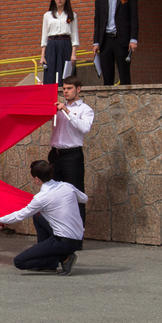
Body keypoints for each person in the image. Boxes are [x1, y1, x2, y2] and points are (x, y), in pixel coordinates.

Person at [0, 160, 86, 275]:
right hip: (78, 239)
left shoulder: (41, 198)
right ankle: (51, 261)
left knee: (19, 262)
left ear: (37, 179)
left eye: (33, 178)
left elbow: (21, 215)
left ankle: (63, 258)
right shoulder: (67, 186)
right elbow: (84, 198)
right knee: (38, 216)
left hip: (63, 242)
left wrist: (1, 220)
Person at [39, 75, 94, 249]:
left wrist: (67, 111)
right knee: (53, 194)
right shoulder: (57, 107)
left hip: (72, 155)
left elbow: (85, 128)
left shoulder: (85, 109)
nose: (66, 91)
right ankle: (57, 235)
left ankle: (77, 239)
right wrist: (41, 94)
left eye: (69, 88)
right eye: (64, 88)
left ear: (78, 89)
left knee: (74, 194)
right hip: (55, 155)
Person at [93, 0, 139, 86]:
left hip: (122, 40)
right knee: (107, 77)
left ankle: (126, 103)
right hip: (105, 40)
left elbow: (134, 16)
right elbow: (97, 19)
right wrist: (96, 42)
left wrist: (133, 39)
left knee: (124, 75)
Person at [40, 0, 80, 86]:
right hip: (52, 45)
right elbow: (44, 36)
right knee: (51, 73)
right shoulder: (47, 15)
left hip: (66, 44)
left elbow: (74, 35)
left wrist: (74, 53)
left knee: (66, 75)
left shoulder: (72, 15)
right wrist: (42, 56)